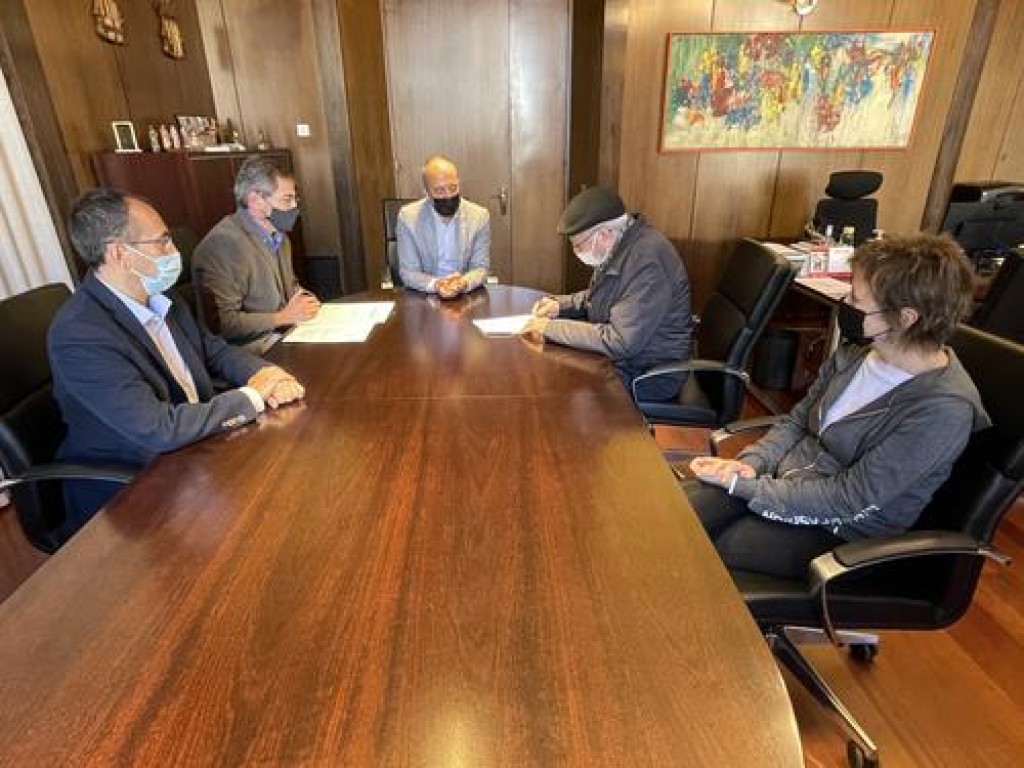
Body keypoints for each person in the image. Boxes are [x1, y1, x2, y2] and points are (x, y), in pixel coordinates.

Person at [685, 233, 990, 580]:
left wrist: (747, 488)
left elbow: (850, 499)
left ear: (905, 318)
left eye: (856, 299)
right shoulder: (857, 354)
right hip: (784, 484)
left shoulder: (943, 410)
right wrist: (752, 464)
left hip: (843, 533)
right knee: (679, 514)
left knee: (700, 553)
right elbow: (798, 421)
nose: (846, 302)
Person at [48, 188, 306, 538]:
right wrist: (252, 396)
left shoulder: (161, 298)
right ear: (120, 253)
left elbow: (213, 351)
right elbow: (158, 429)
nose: (174, 251)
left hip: (193, 450)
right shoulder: (80, 334)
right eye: (163, 241)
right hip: (133, 493)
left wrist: (266, 372)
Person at [522, 186, 694, 400]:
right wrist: (560, 306)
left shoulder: (647, 262)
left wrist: (549, 327)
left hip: (648, 374)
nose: (576, 253)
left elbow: (620, 341)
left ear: (603, 235)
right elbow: (603, 295)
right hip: (627, 361)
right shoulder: (621, 245)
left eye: (578, 246)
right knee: (557, 374)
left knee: (563, 392)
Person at [192, 156, 320, 353]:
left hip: (281, 333)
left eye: (295, 199)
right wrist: (283, 317)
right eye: (287, 199)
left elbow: (290, 286)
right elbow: (223, 324)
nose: (294, 207)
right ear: (255, 200)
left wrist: (306, 300)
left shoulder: (281, 237)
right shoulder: (223, 245)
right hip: (243, 349)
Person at [396, 155, 491, 297]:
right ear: (426, 192)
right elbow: (409, 272)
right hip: (425, 293)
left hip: (465, 294)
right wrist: (437, 285)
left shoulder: (479, 216)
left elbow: (480, 268)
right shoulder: (408, 217)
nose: (448, 196)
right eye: (440, 190)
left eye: (453, 188)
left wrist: (463, 282)